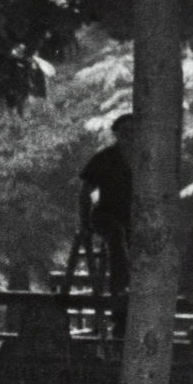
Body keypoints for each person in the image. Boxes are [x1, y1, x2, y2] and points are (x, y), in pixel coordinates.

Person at [76, 113, 135, 312]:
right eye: (124, 131)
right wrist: (84, 223)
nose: (129, 135)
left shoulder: (146, 161)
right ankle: (119, 291)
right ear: (117, 134)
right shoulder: (104, 158)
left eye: (133, 131)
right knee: (117, 235)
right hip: (105, 214)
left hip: (133, 217)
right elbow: (85, 191)